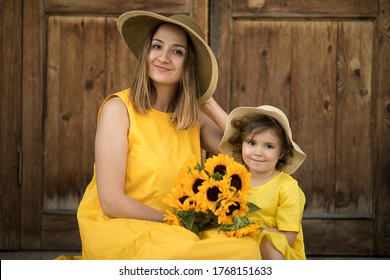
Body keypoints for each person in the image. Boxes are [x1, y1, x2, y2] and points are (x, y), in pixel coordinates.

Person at [57, 10, 261, 260]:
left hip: (176, 230)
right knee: (177, 251)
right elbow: (111, 202)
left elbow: (247, 154)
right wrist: (175, 221)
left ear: (189, 65)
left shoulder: (191, 118)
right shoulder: (119, 109)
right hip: (121, 225)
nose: (163, 58)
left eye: (177, 52)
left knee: (248, 248)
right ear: (146, 53)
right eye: (157, 46)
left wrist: (206, 100)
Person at [219, 105, 307, 259]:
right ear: (241, 145)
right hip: (242, 246)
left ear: (282, 152)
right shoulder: (234, 181)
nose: (258, 152)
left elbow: (289, 236)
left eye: (269, 146)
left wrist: (250, 229)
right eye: (252, 143)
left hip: (278, 252)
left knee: (268, 242)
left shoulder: (287, 187)